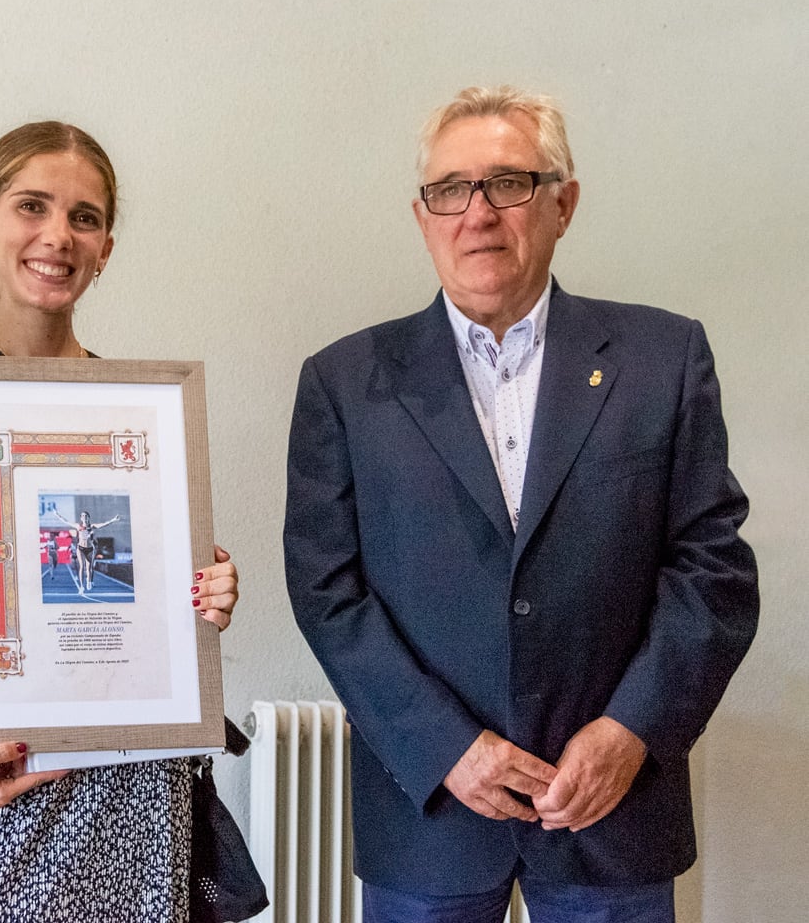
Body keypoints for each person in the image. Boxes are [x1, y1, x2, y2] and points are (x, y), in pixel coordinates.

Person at [283, 85, 758, 923]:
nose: (478, 213)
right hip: (429, 809)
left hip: (610, 808)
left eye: (510, 183)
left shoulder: (664, 357)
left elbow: (712, 570)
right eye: (450, 190)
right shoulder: (344, 383)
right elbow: (327, 588)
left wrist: (632, 731)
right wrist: (445, 748)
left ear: (563, 204)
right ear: (423, 214)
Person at [0, 121, 239, 922]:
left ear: (105, 248)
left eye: (85, 218)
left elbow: (146, 593)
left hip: (136, 786)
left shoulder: (145, 407)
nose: (57, 236)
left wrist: (207, 591)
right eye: (32, 206)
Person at [48, 507, 122, 590]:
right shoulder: (77, 526)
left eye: (86, 515)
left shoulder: (92, 526)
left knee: (88, 568)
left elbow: (103, 524)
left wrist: (113, 520)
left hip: (89, 549)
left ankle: (89, 581)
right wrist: (57, 514)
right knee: (81, 567)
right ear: (81, 518)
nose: (84, 517)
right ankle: (81, 586)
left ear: (88, 517)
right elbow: (65, 521)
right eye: (82, 515)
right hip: (80, 548)